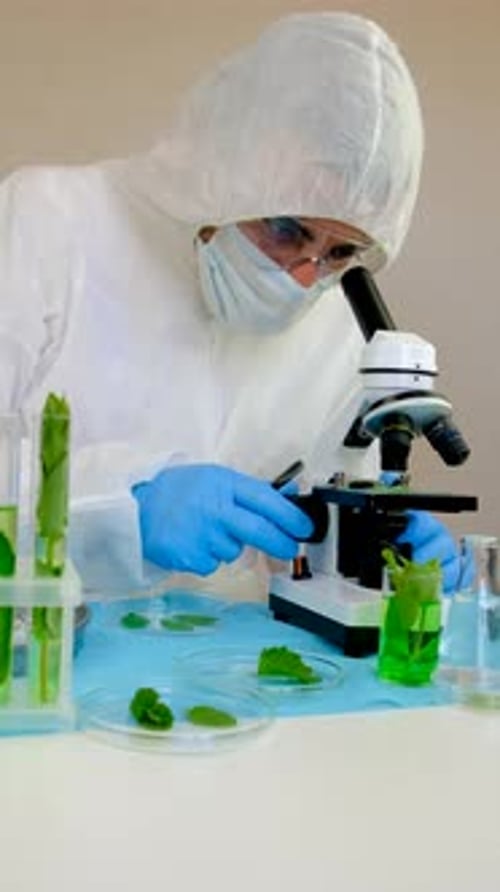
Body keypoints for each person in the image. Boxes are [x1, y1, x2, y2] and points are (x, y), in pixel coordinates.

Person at [0, 12, 464, 599]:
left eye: (341, 250)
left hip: (228, 671)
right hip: (39, 653)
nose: (305, 276)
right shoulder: (48, 221)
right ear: (222, 167)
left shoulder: (341, 320)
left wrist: (373, 556)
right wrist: (117, 509)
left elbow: (309, 559)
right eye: (286, 228)